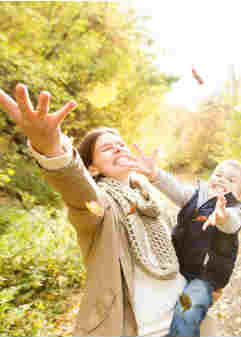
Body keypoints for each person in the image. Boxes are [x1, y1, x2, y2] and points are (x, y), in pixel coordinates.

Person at [0, 84, 208, 336]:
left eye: (121, 144)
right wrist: (51, 149)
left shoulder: (151, 200)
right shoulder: (99, 206)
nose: (119, 148)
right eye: (108, 148)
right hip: (144, 329)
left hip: (186, 320)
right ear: (94, 168)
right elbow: (78, 190)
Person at [129, 153, 241, 337]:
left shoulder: (235, 210)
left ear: (239, 195)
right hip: (177, 267)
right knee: (157, 307)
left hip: (204, 277)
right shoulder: (193, 197)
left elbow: (232, 222)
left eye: (231, 180)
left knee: (187, 309)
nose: (222, 179)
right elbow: (174, 187)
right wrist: (154, 174)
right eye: (218, 174)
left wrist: (222, 217)